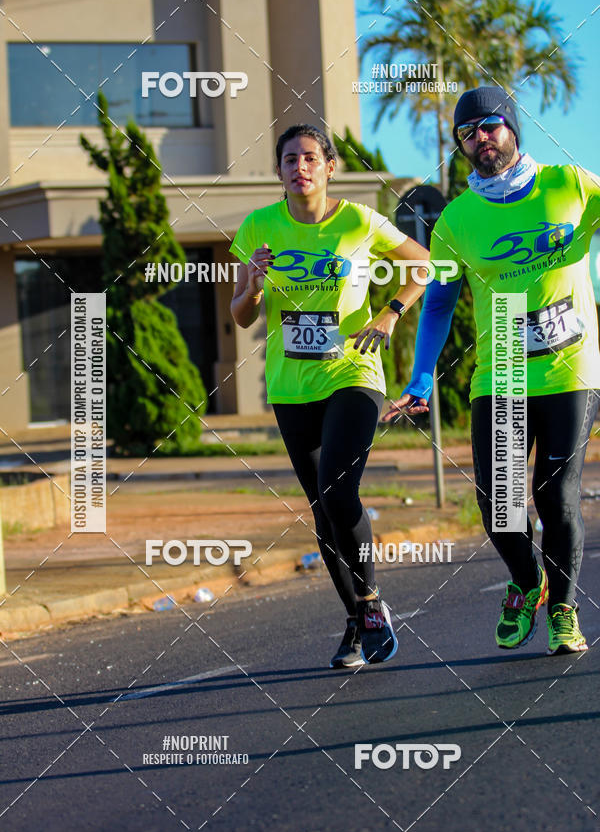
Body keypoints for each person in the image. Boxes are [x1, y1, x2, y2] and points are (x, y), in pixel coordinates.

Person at [384, 86, 600, 655]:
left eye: (491, 126)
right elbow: (438, 301)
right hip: (500, 364)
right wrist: (422, 373)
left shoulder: (571, 185)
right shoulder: (456, 219)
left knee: (556, 499)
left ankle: (564, 612)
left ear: (513, 127)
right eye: (468, 133)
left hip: (570, 364)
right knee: (499, 507)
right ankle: (528, 583)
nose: (481, 139)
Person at [230, 124, 429, 667]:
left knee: (338, 491)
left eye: (311, 158)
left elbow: (422, 263)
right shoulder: (258, 227)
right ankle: (357, 622)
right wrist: (249, 288)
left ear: (329, 166)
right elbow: (242, 316)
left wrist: (391, 313)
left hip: (354, 374)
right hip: (291, 386)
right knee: (322, 511)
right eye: (290, 159)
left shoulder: (359, 220)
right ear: (278, 171)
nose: (301, 167)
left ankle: (369, 601)